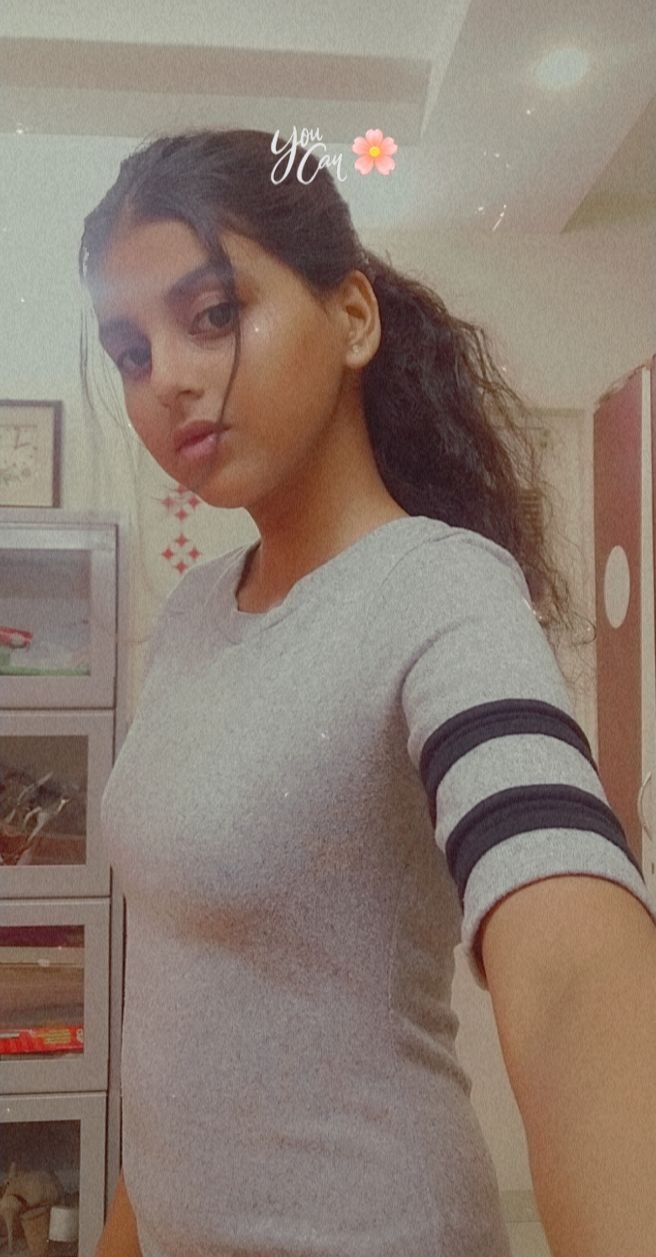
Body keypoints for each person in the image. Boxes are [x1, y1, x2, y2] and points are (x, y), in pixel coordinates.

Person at [80, 129, 656, 1257]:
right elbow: (190, 1007)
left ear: (351, 318)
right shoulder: (194, 612)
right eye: (130, 351)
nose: (169, 379)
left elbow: (568, 964)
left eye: (212, 316)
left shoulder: (438, 585)